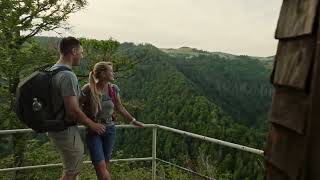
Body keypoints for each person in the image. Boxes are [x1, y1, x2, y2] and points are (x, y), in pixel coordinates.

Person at [48, 37, 106, 180]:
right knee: (71, 172)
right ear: (74, 51)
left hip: (55, 126)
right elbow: (72, 109)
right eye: (81, 52)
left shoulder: (53, 70)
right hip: (65, 129)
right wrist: (93, 125)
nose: (82, 55)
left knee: (71, 169)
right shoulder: (68, 75)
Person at [80, 61, 144, 180]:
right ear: (104, 74)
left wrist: (133, 121)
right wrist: (90, 123)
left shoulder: (113, 89)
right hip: (93, 131)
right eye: (111, 71)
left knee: (105, 163)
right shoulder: (88, 89)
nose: (113, 73)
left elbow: (119, 107)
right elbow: (78, 108)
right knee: (100, 165)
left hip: (110, 129)